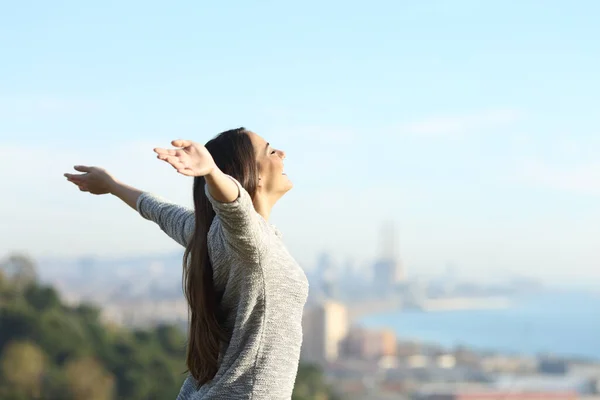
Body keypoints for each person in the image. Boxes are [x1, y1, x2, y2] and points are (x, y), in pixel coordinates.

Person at [64, 128, 309, 399]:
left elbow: (159, 210)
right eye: (271, 151)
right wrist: (213, 173)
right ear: (255, 176)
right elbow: (235, 206)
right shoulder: (251, 241)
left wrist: (112, 185)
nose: (282, 154)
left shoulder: (209, 234)